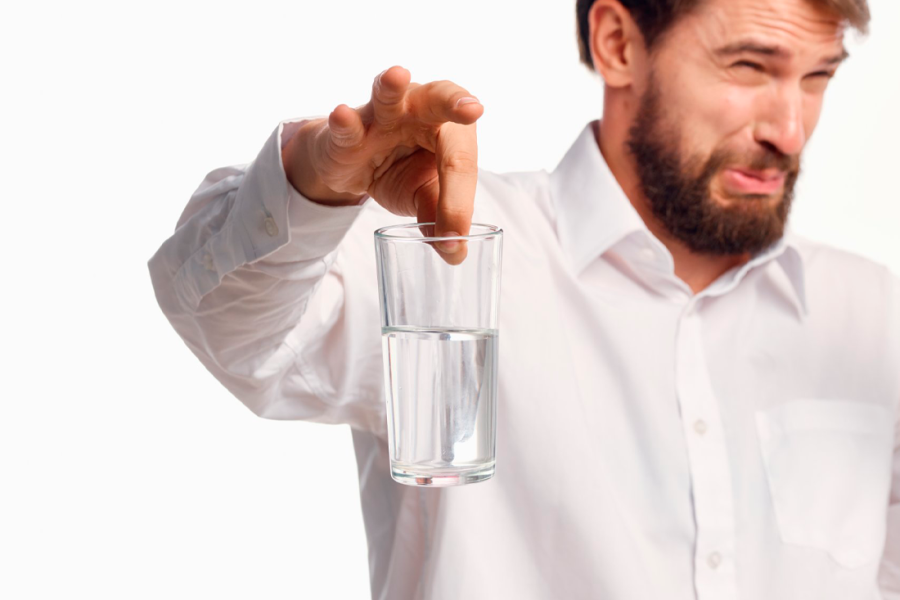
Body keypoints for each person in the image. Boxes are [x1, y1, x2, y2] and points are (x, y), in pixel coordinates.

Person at [148, 0, 900, 597]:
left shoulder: (872, 316)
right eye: (749, 67)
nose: (791, 130)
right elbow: (230, 324)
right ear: (617, 44)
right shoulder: (444, 247)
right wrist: (315, 184)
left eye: (818, 76)